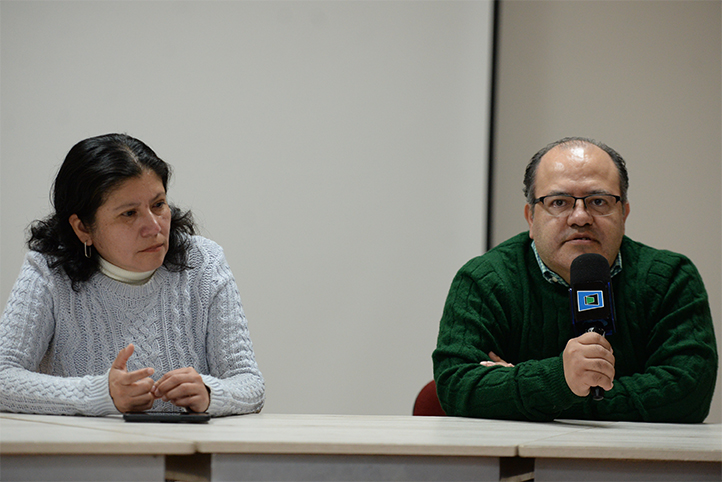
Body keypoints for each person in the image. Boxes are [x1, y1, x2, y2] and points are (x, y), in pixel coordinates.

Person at [432, 137, 718, 422]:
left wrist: (531, 389)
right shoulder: (484, 280)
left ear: (624, 213)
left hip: (638, 463)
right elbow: (455, 387)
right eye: (559, 202)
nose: (580, 217)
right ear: (531, 218)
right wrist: (561, 377)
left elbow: (687, 394)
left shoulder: (670, 278)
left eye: (598, 201)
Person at [0, 133, 265, 416]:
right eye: (129, 214)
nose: (154, 227)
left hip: (186, 455)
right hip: (85, 456)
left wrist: (212, 394)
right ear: (83, 229)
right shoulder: (49, 271)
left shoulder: (204, 261)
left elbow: (249, 383)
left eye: (158, 205)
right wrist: (99, 394)